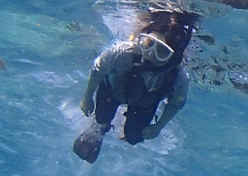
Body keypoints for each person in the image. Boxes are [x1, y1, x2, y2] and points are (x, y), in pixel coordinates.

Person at [73, 9, 200, 163]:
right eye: (149, 44)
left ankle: (124, 126)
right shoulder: (123, 53)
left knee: (134, 137)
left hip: (145, 102)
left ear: (174, 56)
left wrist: (158, 126)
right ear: (143, 39)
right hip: (112, 91)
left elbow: (176, 103)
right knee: (101, 121)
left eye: (161, 51)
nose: (150, 54)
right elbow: (97, 70)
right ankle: (100, 126)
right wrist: (87, 97)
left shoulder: (178, 77)